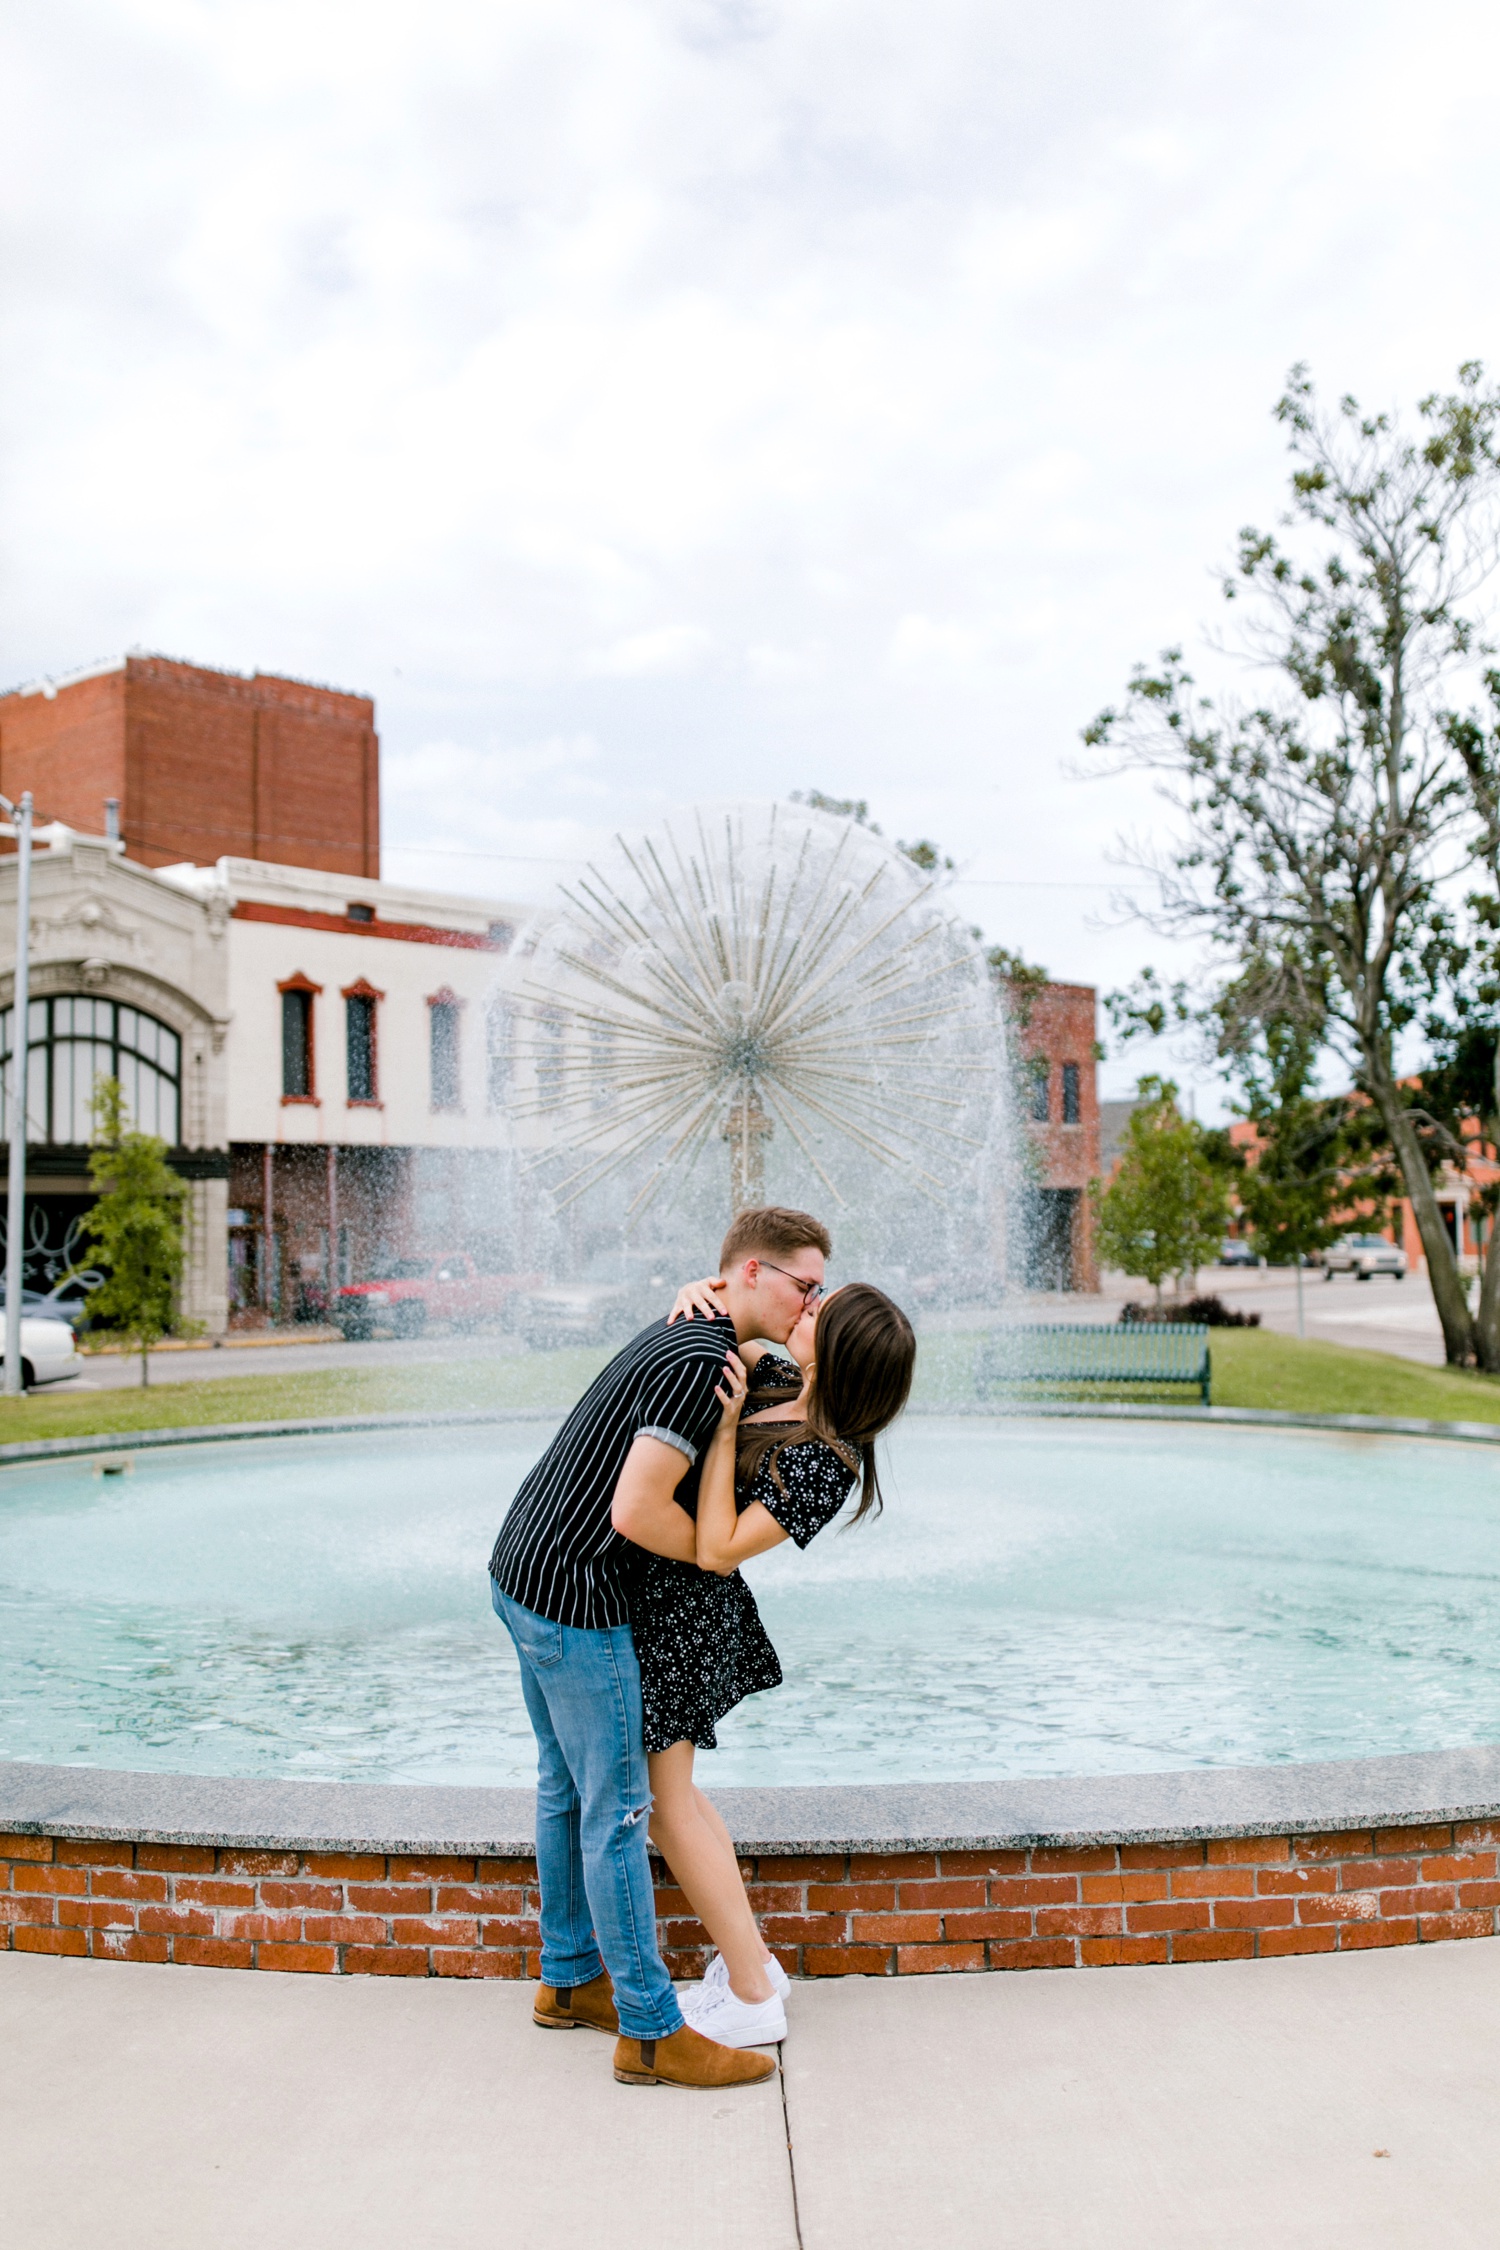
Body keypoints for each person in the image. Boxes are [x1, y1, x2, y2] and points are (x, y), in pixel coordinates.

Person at [486, 1205, 832, 2090]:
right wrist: (712, 1553)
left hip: (523, 1569)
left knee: (566, 1792)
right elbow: (636, 1512)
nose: (812, 1300)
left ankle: (569, 1983)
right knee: (618, 1811)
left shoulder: (703, 1332)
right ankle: (649, 2031)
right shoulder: (700, 1362)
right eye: (805, 1283)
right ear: (751, 1272)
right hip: (576, 1597)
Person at [634, 1277, 916, 2048]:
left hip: (689, 1615)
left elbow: (721, 1551)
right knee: (678, 1798)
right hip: (665, 1599)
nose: (809, 1307)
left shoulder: (829, 1462)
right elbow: (742, 1322)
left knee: (667, 1806)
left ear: (841, 1357)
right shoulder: (783, 1377)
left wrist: (725, 1433)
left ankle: (754, 1994)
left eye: (823, 1312)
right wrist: (703, 1285)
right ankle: (753, 1962)